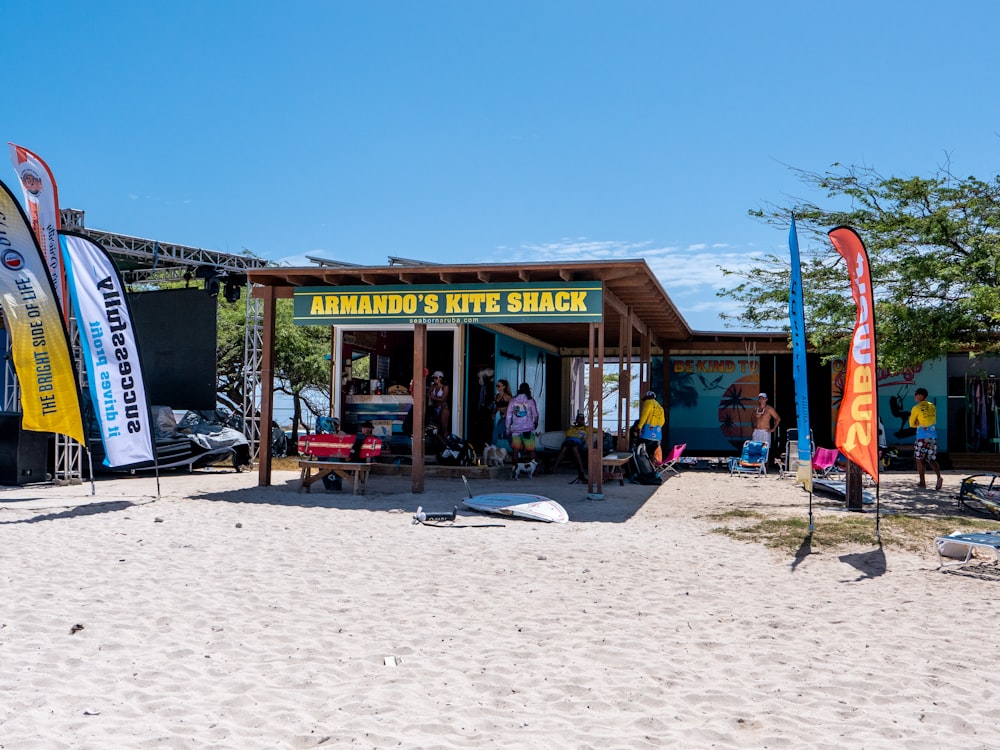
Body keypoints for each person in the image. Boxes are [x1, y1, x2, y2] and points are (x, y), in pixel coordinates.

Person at [909, 387, 943, 490]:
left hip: (922, 437)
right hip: (933, 436)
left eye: (916, 394)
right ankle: (939, 477)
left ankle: (922, 482)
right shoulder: (932, 406)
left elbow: (911, 423)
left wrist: (918, 424)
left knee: (919, 459)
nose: (915, 396)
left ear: (920, 395)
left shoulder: (916, 408)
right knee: (931, 459)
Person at [506, 382, 539, 462]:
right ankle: (532, 471)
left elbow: (508, 416)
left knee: (516, 450)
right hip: (527, 429)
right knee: (531, 450)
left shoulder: (513, 401)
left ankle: (515, 470)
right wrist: (536, 423)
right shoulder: (530, 400)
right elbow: (535, 414)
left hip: (516, 430)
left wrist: (508, 429)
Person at [553, 412, 588, 481]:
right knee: (564, 449)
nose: (580, 421)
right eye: (578, 419)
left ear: (583, 420)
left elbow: (600, 431)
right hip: (569, 441)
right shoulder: (572, 427)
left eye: (581, 419)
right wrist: (573, 429)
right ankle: (555, 468)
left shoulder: (587, 428)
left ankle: (581, 470)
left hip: (577, 443)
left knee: (575, 449)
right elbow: (568, 434)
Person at [636, 390, 665, 458]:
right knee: (652, 452)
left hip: (647, 433)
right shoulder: (660, 407)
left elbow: (644, 415)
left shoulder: (648, 403)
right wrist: (657, 427)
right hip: (658, 434)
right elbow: (663, 421)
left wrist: (639, 426)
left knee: (640, 449)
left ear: (647, 397)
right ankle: (651, 467)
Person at [427, 371, 451, 437]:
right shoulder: (433, 386)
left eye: (436, 378)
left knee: (444, 429)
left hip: (443, 407)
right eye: (434, 378)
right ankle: (441, 444)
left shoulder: (445, 387)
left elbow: (443, 399)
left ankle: (446, 445)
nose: (434, 379)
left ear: (440, 378)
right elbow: (428, 393)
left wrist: (433, 397)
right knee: (436, 428)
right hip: (435, 407)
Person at [492, 379, 513, 449]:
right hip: (503, 418)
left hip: (508, 418)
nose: (497, 387)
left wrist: (507, 412)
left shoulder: (507, 396)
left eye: (498, 386)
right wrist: (494, 413)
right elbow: (497, 407)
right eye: (496, 385)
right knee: (507, 435)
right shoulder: (497, 396)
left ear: (503, 387)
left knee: (496, 430)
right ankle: (518, 453)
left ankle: (493, 447)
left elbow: (513, 407)